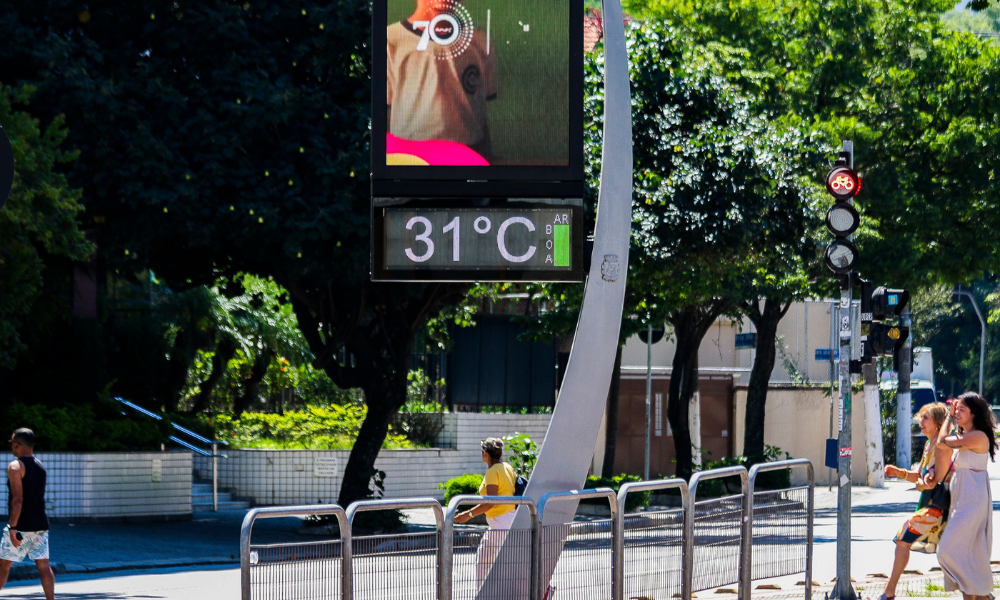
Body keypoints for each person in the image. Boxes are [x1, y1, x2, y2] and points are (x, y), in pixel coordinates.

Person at [386, 0, 497, 163]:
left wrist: (487, 164)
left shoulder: (479, 40)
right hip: (411, 156)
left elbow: (479, 110)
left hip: (468, 153)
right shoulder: (390, 40)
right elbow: (383, 113)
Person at [879, 402, 950, 600]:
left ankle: (889, 592)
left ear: (937, 423)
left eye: (925, 417)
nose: (920, 421)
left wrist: (923, 485)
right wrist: (898, 473)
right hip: (930, 505)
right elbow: (919, 475)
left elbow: (934, 480)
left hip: (939, 506)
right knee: (950, 553)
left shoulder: (942, 445)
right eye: (921, 417)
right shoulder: (929, 445)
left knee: (903, 539)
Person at [935, 392, 996, 600]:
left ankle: (982, 594)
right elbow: (942, 445)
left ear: (974, 414)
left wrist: (949, 418)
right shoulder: (965, 438)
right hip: (962, 497)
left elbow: (942, 442)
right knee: (965, 551)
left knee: (948, 549)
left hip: (973, 499)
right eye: (956, 408)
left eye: (962, 410)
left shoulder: (977, 436)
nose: (957, 412)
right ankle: (977, 596)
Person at [454, 437, 517, 587]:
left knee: (512, 565)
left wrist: (467, 515)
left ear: (485, 453)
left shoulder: (492, 472)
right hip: (504, 521)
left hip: (500, 523)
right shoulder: (507, 467)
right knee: (483, 558)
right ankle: (483, 593)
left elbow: (490, 501)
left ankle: (541, 591)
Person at [0, 428, 54, 600]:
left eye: (12, 443)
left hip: (21, 527)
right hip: (40, 525)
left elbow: (18, 499)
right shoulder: (40, 466)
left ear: (17, 445)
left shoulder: (15, 466)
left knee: (3, 566)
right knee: (44, 565)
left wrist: (12, 527)